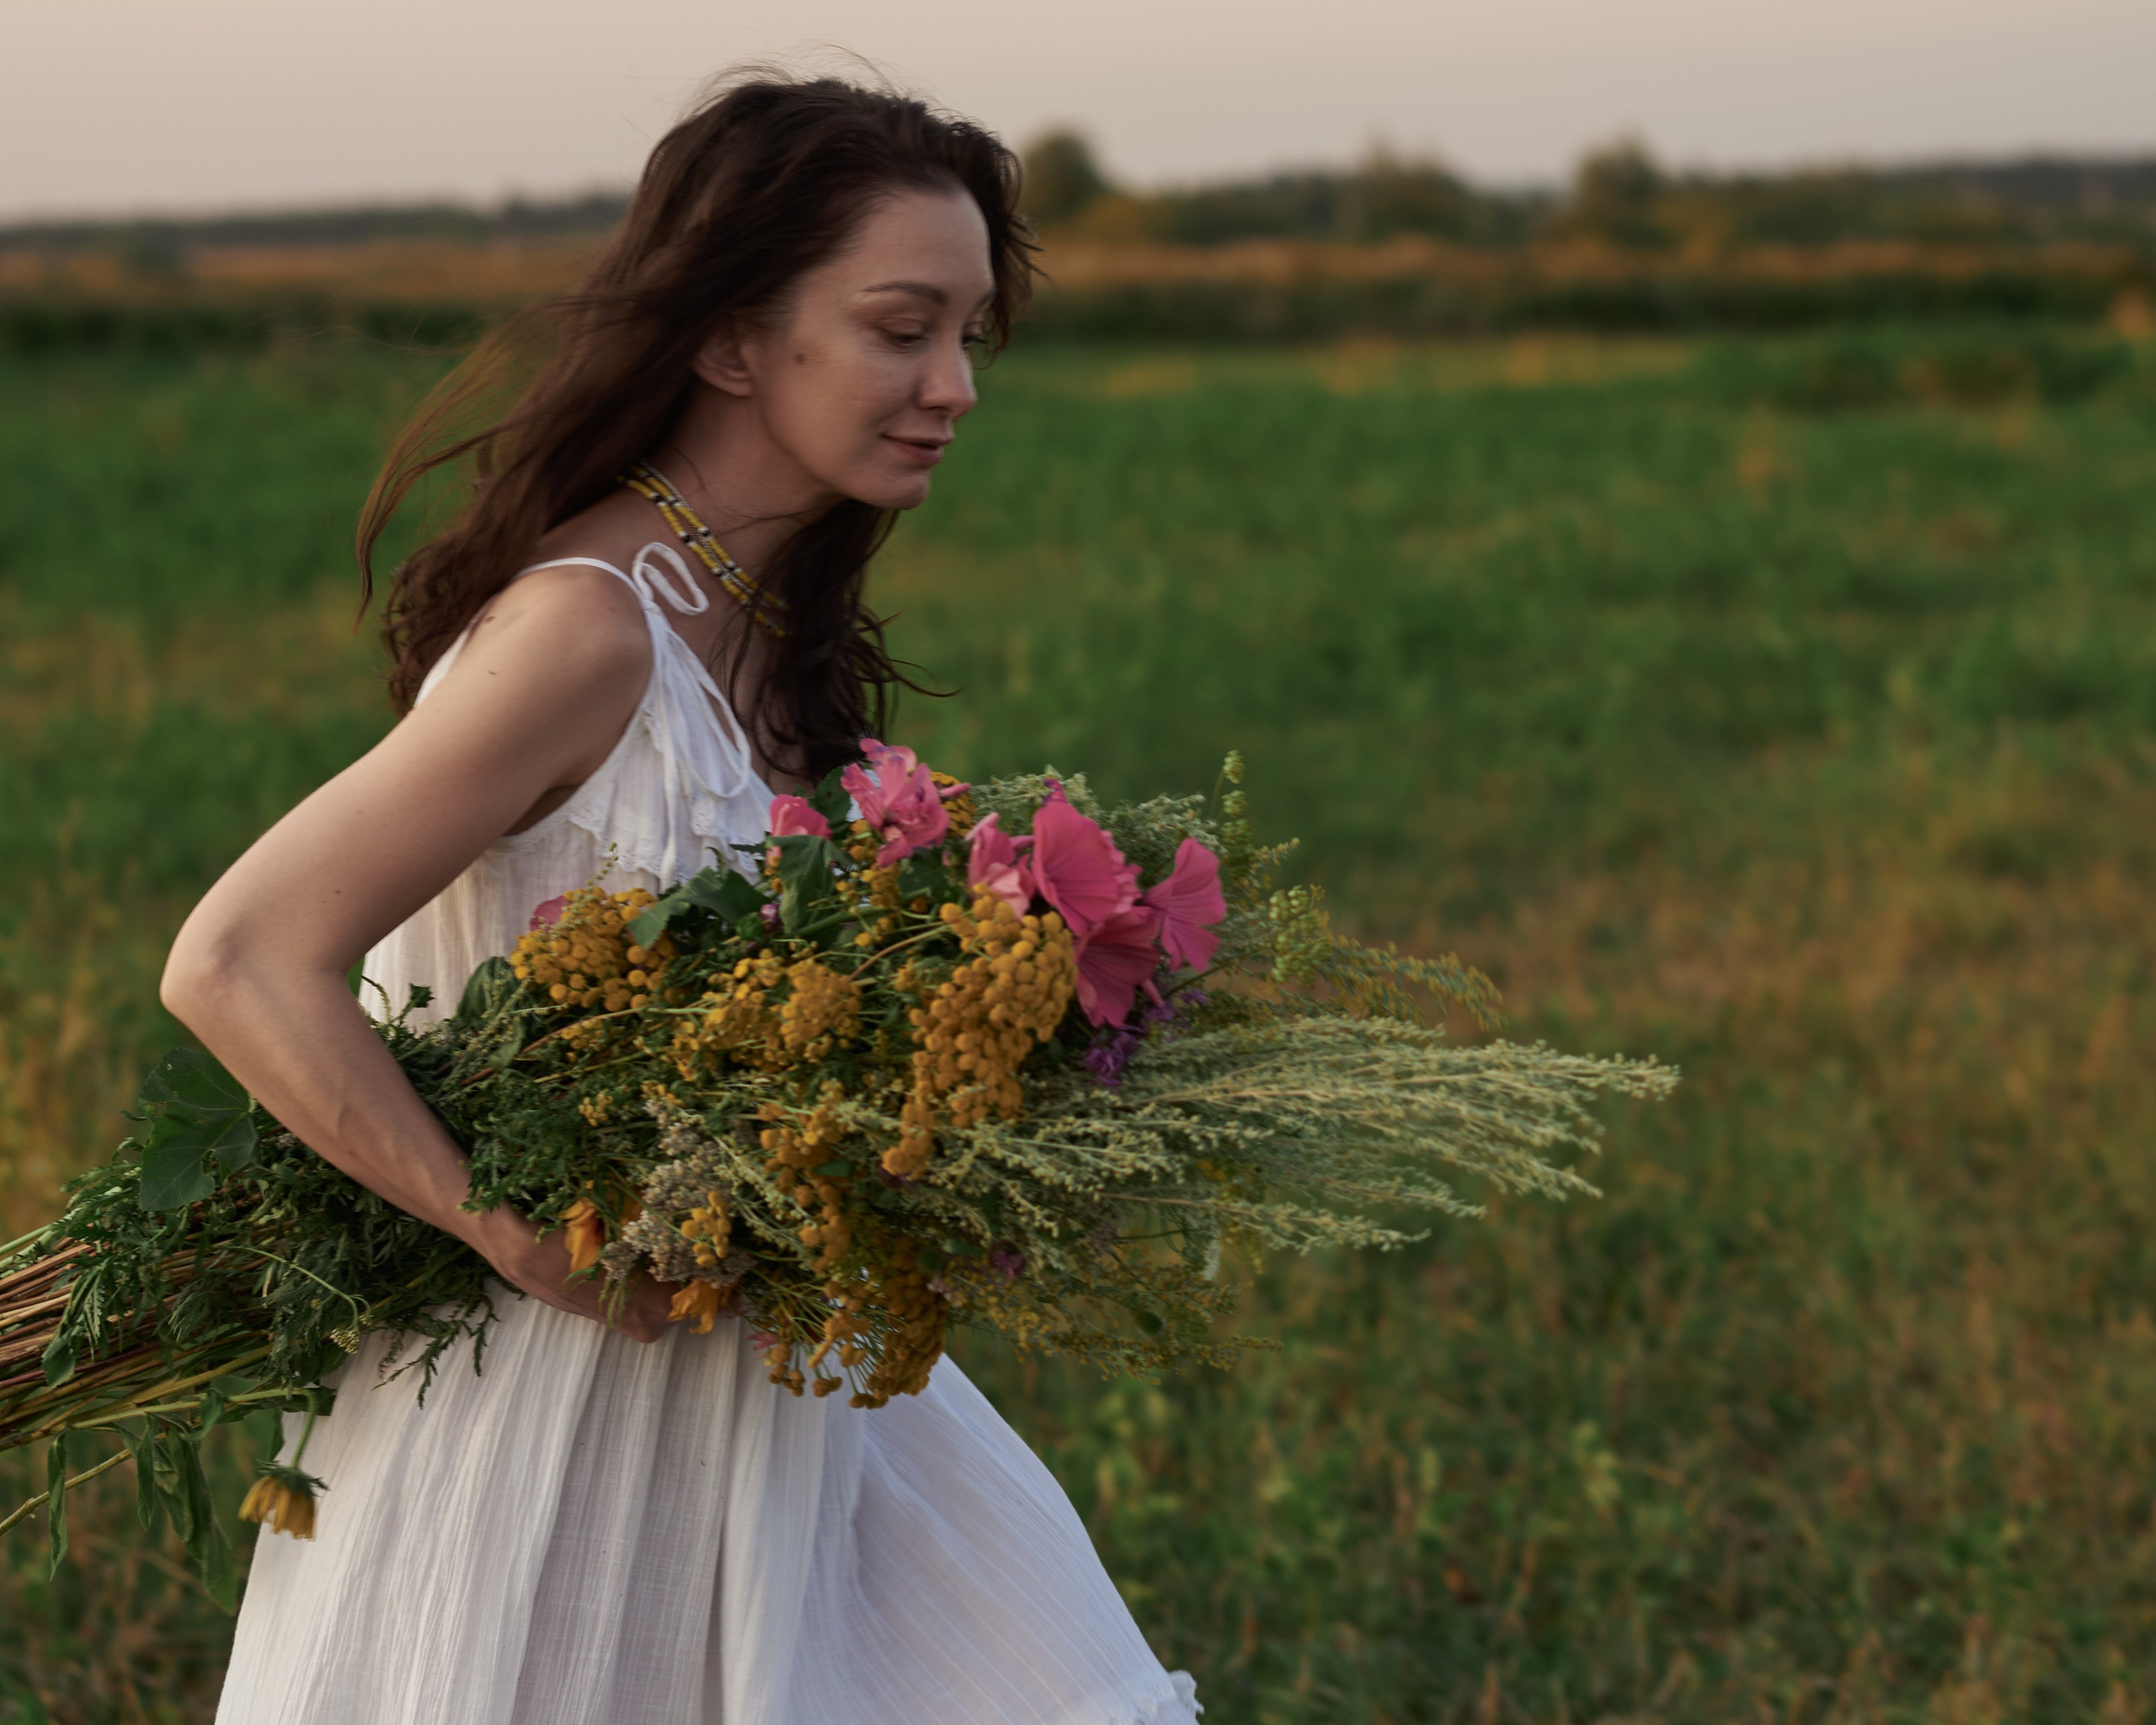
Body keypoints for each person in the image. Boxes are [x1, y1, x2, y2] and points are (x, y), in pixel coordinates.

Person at [163, 71, 1202, 1725]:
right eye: (899, 328)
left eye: (968, 340)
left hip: (767, 1389)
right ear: (729, 338)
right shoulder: (585, 633)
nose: (951, 387)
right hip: (558, 1400)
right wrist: (504, 1226)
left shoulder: (759, 637)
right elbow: (238, 959)